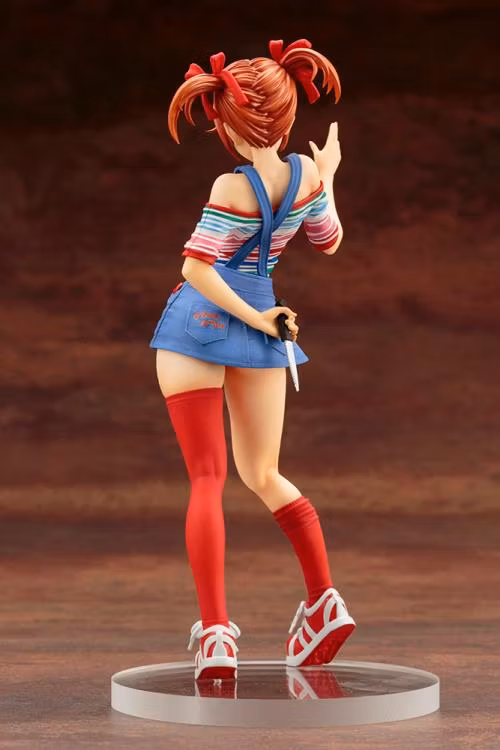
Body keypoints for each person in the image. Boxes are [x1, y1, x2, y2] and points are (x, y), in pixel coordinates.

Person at [150, 38, 355, 681]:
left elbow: (197, 268)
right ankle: (324, 598)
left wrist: (257, 318)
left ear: (231, 127)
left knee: (208, 479)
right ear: (288, 116)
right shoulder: (307, 175)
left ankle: (216, 634)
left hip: (201, 328)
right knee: (264, 472)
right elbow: (328, 240)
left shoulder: (230, 184)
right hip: (266, 325)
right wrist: (329, 177)